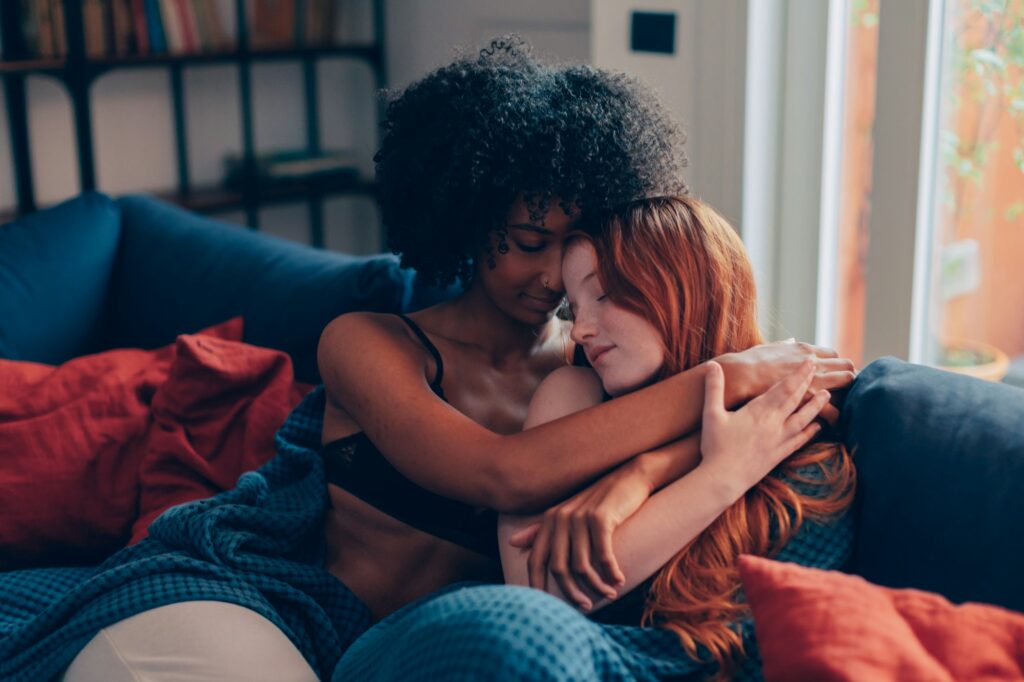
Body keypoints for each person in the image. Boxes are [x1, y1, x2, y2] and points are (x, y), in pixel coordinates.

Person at [61, 38, 853, 682]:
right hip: (260, 604)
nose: (551, 282)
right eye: (528, 244)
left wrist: (645, 473)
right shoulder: (369, 343)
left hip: (407, 657)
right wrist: (727, 378)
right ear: (469, 223)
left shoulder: (596, 375)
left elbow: (644, 481)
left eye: (572, 259)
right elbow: (502, 474)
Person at [334, 196, 854, 682]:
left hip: (660, 658)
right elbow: (539, 592)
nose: (579, 331)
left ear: (686, 284)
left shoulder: (797, 445)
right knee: (512, 635)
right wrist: (716, 472)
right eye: (573, 309)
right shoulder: (572, 391)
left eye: (602, 296)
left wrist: (665, 470)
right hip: (504, 643)